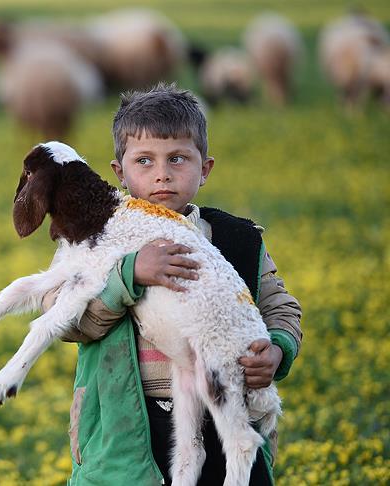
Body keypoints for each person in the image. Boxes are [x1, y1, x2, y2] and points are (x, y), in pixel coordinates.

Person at [41, 83, 302, 485]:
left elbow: (279, 306)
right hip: (123, 422)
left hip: (221, 413)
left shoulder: (237, 239)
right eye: (144, 161)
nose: (162, 174)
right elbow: (64, 317)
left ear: (205, 169)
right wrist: (128, 277)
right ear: (119, 172)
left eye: (178, 159)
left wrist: (276, 349)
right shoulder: (97, 240)